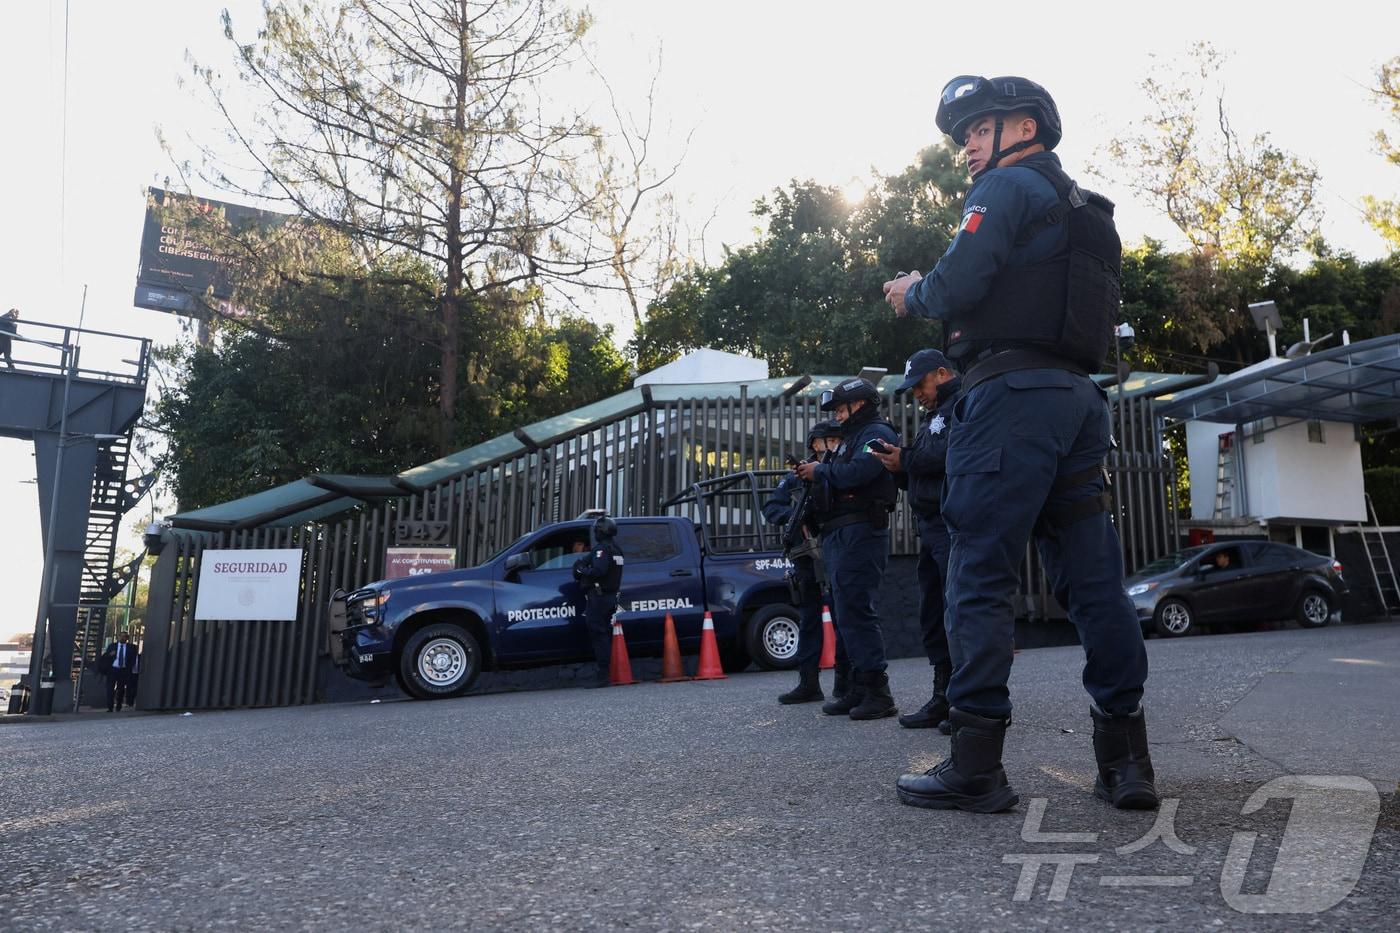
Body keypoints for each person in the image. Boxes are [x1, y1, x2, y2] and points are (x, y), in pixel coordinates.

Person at [883, 75, 1158, 813]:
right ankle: (1127, 764)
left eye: (978, 129)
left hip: (1008, 399)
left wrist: (914, 290)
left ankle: (975, 764)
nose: (967, 147)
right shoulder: (1088, 213)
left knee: (979, 568)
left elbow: (957, 281)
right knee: (1094, 583)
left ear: (1025, 128)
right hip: (1077, 401)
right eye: (964, 135)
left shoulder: (1004, 192)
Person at [795, 378, 899, 720]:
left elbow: (863, 471)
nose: (838, 416)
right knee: (845, 613)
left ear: (861, 404)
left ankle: (877, 693)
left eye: (842, 408)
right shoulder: (853, 438)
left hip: (861, 530)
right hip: (840, 531)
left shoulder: (876, 434)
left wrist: (821, 470)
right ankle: (857, 688)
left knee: (856, 610)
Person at [872, 348, 961, 733]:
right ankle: (945, 697)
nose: (917, 394)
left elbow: (948, 456)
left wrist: (905, 460)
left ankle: (966, 701)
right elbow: (926, 464)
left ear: (941, 373)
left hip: (953, 525)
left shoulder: (962, 404)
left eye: (920, 385)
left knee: (958, 613)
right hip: (933, 526)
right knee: (934, 614)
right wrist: (901, 463)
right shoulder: (936, 415)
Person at [761, 419, 848, 704]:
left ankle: (845, 684)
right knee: (808, 619)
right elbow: (772, 507)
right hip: (805, 557)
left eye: (836, 440)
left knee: (844, 618)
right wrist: (794, 516)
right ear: (814, 444)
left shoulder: (840, 470)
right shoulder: (797, 476)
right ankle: (808, 682)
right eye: (827, 441)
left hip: (836, 551)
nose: (832, 446)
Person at [573, 516, 624, 688]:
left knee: (598, 634)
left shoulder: (602, 550)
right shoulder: (617, 549)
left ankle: (603, 675)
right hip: (610, 597)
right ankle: (604, 672)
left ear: (600, 531)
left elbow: (599, 570)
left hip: (600, 598)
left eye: (597, 530)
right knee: (603, 634)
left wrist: (581, 569)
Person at [100, 631, 137, 712]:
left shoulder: (131, 648)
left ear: (127, 638)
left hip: (123, 670)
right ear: (118, 637)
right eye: (121, 636)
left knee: (121, 689)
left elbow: (133, 659)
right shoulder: (112, 646)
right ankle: (110, 707)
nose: (122, 638)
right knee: (110, 689)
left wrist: (130, 668)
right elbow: (105, 656)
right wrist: (110, 655)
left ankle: (118, 706)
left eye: (124, 636)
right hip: (113, 669)